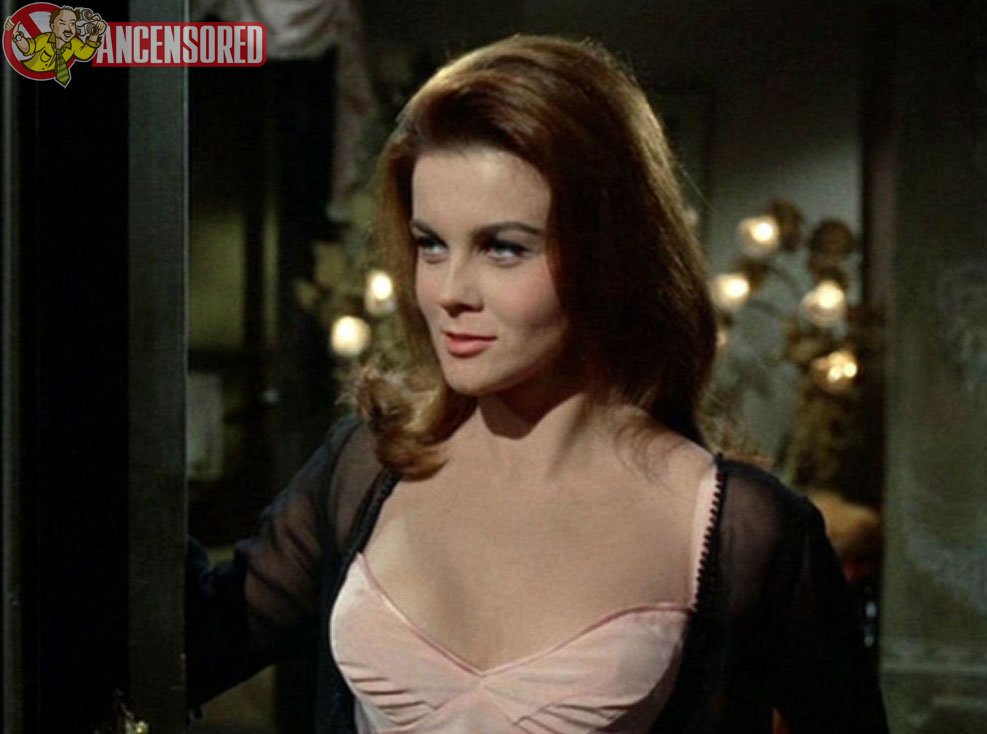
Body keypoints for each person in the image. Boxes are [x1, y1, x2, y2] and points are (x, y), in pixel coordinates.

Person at [187, 35, 888, 734]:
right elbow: (186, 645)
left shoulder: (740, 528)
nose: (449, 291)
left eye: (502, 247)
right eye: (431, 244)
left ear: (611, 253)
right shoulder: (367, 470)